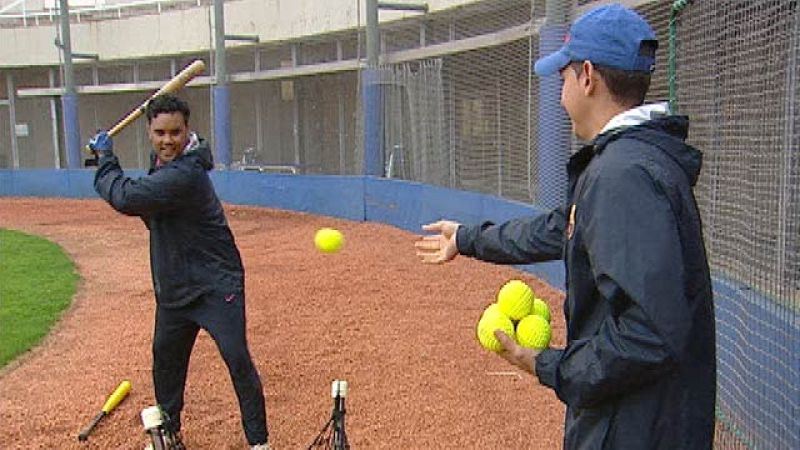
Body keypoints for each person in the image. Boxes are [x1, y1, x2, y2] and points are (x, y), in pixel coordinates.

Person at [415, 4, 715, 449]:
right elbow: (563, 228)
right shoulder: (632, 160)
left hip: (636, 431)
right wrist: (467, 238)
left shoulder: (622, 175)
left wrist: (549, 365)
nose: (559, 96)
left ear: (587, 76)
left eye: (563, 78)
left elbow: (649, 333)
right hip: (646, 421)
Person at [91, 94, 271, 450]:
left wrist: (105, 160)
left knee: (236, 357)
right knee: (166, 362)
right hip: (175, 286)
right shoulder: (161, 165)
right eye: (160, 133)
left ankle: (259, 442)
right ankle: (169, 434)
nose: (167, 140)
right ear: (149, 132)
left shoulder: (187, 174)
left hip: (215, 284)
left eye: (175, 132)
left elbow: (127, 198)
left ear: (187, 131)